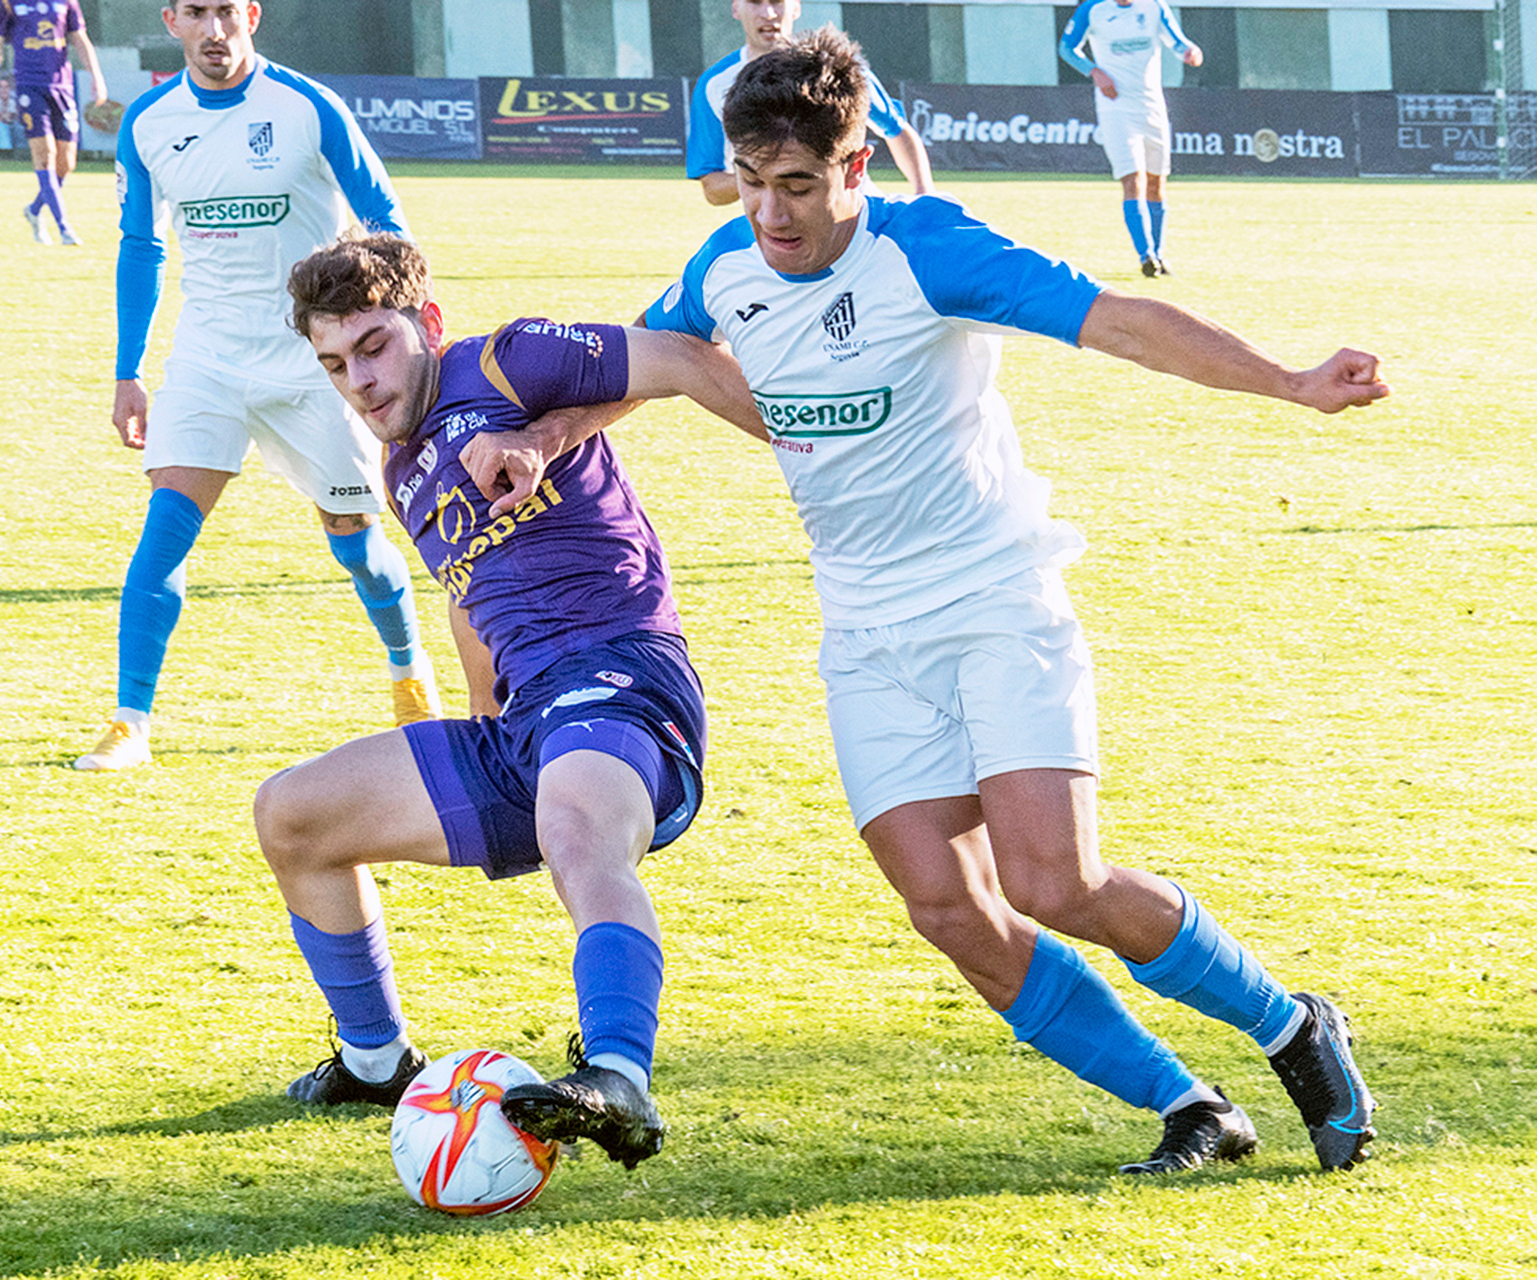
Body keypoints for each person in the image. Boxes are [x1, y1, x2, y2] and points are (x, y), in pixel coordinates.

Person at [465, 29, 1383, 1176]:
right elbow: (651, 356)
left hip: (996, 596)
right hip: (865, 629)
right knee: (948, 907)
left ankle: (1292, 1025)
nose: (772, 212)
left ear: (858, 166)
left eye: (797, 184)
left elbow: (1118, 321)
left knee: (1057, 880)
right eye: (752, 182)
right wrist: (547, 431)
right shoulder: (723, 267)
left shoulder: (927, 248)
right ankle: (1192, 1105)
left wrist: (1292, 383)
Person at [253, 233, 764, 1169]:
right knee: (292, 816)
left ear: (427, 325)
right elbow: (469, 602)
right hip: (524, 724)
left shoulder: (506, 358)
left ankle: (618, 1077)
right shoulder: (402, 472)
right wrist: (486, 729)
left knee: (579, 834)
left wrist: (813, 457)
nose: (359, 382)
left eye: (374, 346)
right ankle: (376, 1062)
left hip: (621, 673)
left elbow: (683, 359)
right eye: (334, 364)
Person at [77, 0, 441, 771]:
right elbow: (140, 247)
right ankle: (129, 721)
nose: (214, 32)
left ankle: (410, 677)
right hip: (207, 356)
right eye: (196, 13)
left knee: (354, 539)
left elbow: (384, 216)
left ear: (251, 14)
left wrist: (403, 337)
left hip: (315, 358)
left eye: (226, 12)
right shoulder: (147, 122)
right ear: (172, 20)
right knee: (167, 526)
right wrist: (127, 372)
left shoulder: (309, 107)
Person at [689, 0, 931, 207]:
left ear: (796, 8)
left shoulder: (836, 67)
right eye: (755, 2)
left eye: (777, 2)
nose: (768, 14)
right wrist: (770, 172)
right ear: (735, 8)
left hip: (858, 221)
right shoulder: (714, 85)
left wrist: (925, 196)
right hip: (777, 232)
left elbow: (897, 131)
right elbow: (713, 188)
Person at [1059, 0, 1202, 276]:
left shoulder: (1154, 7)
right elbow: (1067, 48)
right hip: (1116, 107)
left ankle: (1159, 255)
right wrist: (1094, 71)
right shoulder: (1093, 8)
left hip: (1151, 106)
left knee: (1156, 183)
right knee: (1131, 178)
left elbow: (1177, 41)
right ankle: (1146, 256)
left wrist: (1190, 51)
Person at [0, 0, 108, 246]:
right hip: (29, 85)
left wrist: (96, 76)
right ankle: (64, 227)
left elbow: (80, 38)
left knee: (66, 163)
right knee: (44, 154)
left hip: (63, 87)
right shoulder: (8, 3)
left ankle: (34, 209)